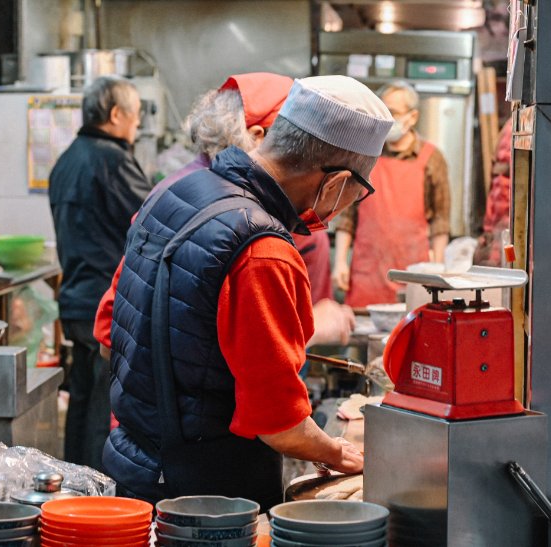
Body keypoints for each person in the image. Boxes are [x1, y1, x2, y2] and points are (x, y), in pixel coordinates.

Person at [103, 75, 393, 508]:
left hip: (133, 462)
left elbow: (112, 335)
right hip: (204, 498)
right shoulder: (263, 250)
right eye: (358, 191)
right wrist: (339, 452)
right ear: (334, 184)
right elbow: (279, 423)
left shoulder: (177, 192)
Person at [93, 73, 354, 358]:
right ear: (257, 137)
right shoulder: (218, 209)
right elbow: (122, 334)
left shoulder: (236, 196)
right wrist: (310, 327)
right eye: (296, 143)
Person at [48, 76, 153, 471]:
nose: (137, 125)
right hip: (101, 305)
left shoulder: (67, 158)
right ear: (115, 115)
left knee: (81, 398)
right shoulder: (112, 159)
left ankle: (70, 481)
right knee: (100, 407)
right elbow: (154, 216)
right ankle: (93, 492)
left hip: (74, 300)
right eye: (136, 116)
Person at [332, 80, 451, 307]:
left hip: (414, 274)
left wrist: (438, 270)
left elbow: (440, 221)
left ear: (413, 117)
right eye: (383, 112)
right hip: (367, 274)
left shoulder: (432, 158)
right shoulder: (365, 154)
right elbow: (346, 216)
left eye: (393, 113)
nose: (387, 119)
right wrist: (340, 263)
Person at [474, 121, 512, 266]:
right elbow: (497, 188)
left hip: (513, 231)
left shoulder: (519, 126)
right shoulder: (511, 126)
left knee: (512, 262)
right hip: (503, 231)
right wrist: (488, 230)